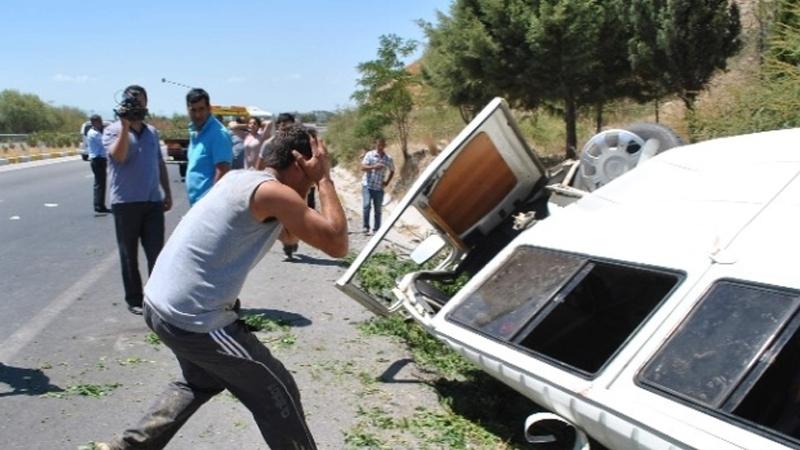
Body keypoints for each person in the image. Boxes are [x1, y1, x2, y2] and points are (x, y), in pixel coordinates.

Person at [96, 124, 347, 450]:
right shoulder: (271, 192)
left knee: (200, 379)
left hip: (158, 305)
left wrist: (305, 187)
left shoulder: (241, 179)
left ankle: (129, 446)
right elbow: (338, 244)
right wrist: (324, 179)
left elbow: (290, 236)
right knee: (277, 389)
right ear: (301, 163)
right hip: (194, 319)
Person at [102, 85, 173, 315]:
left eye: (140, 102)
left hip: (152, 201)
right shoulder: (112, 130)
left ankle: (156, 297)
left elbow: (159, 163)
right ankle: (134, 298)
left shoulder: (152, 132)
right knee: (128, 254)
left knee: (156, 253)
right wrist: (125, 126)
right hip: (126, 203)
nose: (137, 106)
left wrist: (167, 192)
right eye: (132, 102)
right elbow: (119, 156)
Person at [186, 88, 232, 205]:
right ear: (188, 110)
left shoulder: (218, 133)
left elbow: (222, 171)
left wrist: (209, 203)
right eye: (193, 110)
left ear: (209, 108)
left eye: (201, 109)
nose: (198, 114)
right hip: (197, 204)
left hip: (208, 205)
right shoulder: (195, 131)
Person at [361, 137, 394, 234]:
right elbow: (362, 167)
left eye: (382, 145)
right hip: (367, 185)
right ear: (376, 144)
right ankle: (366, 227)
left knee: (378, 209)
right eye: (378, 145)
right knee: (366, 206)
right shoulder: (370, 155)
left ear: (384, 145)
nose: (380, 147)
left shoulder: (388, 158)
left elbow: (392, 170)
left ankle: (377, 229)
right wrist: (373, 167)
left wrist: (387, 182)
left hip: (379, 187)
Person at [86, 114, 111, 214]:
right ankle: (99, 205)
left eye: (101, 121)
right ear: (94, 123)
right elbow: (105, 143)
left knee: (101, 183)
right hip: (97, 159)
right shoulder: (94, 133)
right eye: (99, 121)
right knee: (100, 183)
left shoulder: (97, 132)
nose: (101, 123)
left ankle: (100, 204)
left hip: (100, 159)